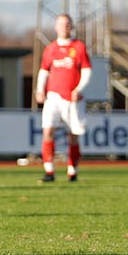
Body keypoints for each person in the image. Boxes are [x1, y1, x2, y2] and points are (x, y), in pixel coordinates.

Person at [35, 13, 92, 183]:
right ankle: (49, 171)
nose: (64, 27)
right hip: (53, 97)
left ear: (71, 26)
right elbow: (44, 71)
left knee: (73, 136)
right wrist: (39, 90)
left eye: (67, 24)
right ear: (56, 27)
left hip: (73, 99)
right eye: (61, 24)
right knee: (48, 131)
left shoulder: (79, 47)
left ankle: (72, 171)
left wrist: (79, 88)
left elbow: (87, 71)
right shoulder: (50, 48)